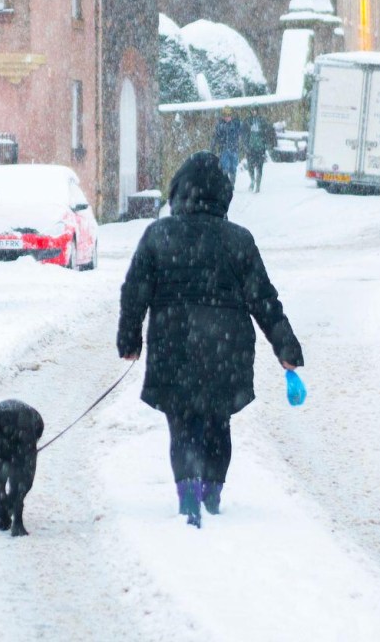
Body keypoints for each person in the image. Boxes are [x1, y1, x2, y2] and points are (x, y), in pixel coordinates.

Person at [117, 152, 303, 528]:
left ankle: (187, 493)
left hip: (174, 344)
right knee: (218, 421)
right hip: (227, 349)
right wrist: (286, 347)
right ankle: (213, 493)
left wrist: (130, 339)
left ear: (177, 192)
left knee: (182, 423)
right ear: (224, 195)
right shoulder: (239, 240)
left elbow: (135, 291)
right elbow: (263, 299)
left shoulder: (158, 234)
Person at [211, 108, 244, 184]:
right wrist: (213, 147)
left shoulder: (236, 124)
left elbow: (242, 132)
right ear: (223, 116)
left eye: (228, 115)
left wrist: (242, 144)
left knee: (233, 168)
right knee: (224, 168)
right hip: (224, 150)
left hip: (234, 149)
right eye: (225, 115)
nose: (227, 117)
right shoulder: (220, 126)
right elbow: (215, 137)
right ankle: (225, 184)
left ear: (231, 116)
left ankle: (232, 185)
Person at [244, 113, 274, 193]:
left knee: (259, 168)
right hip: (251, 149)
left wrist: (266, 145)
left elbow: (267, 134)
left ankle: (258, 186)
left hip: (260, 149)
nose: (254, 112)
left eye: (255, 110)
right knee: (250, 167)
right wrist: (246, 145)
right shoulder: (248, 121)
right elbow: (245, 134)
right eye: (253, 110)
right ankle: (253, 181)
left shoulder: (263, 121)